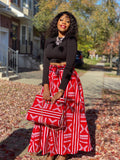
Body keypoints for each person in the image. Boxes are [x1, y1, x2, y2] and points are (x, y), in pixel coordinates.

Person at [28, 11, 92, 160]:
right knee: (50, 115)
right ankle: (52, 149)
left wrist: (61, 90)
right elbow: (45, 62)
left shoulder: (71, 40)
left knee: (66, 117)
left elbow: (70, 65)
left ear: (71, 25)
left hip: (67, 81)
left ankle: (64, 151)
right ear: (56, 22)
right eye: (61, 19)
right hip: (51, 77)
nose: (63, 22)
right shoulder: (49, 39)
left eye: (67, 21)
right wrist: (45, 86)